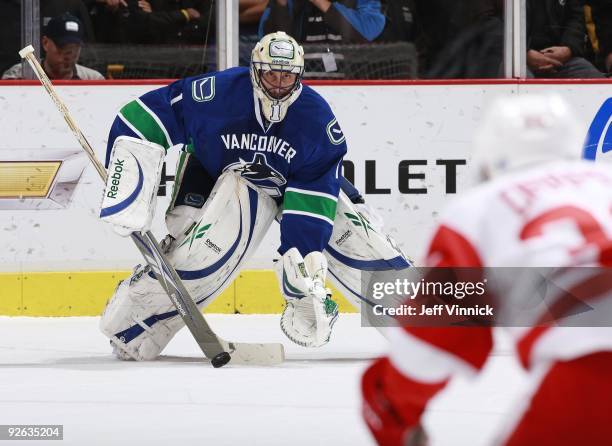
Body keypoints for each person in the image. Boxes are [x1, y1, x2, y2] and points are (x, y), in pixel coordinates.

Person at [97, 31, 411, 360]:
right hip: (214, 173)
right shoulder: (215, 95)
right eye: (271, 74)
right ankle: (133, 326)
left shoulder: (316, 120)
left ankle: (434, 323)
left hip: (294, 183)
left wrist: (302, 267)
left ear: (299, 75)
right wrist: (128, 181)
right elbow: (139, 118)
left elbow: (313, 192)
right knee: (200, 253)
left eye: (286, 75)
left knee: (357, 237)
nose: (278, 83)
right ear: (254, 71)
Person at [361, 95, 612, 445]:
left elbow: (431, 344)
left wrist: (390, 408)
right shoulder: (605, 177)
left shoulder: (477, 208)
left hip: (592, 372)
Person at [2, 13, 104, 80]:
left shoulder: (94, 80)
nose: (69, 55)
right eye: (63, 48)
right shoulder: (19, 76)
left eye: (75, 49)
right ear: (45, 43)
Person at [526, 0, 603, 78]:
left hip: (560, 59)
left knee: (594, 78)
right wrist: (525, 54)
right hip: (519, 61)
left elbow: (576, 17)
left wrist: (568, 49)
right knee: (523, 80)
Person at [259, 0, 385, 44]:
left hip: (350, 83)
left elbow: (370, 29)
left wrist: (321, 3)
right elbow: (270, 42)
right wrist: (281, 4)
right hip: (301, 83)